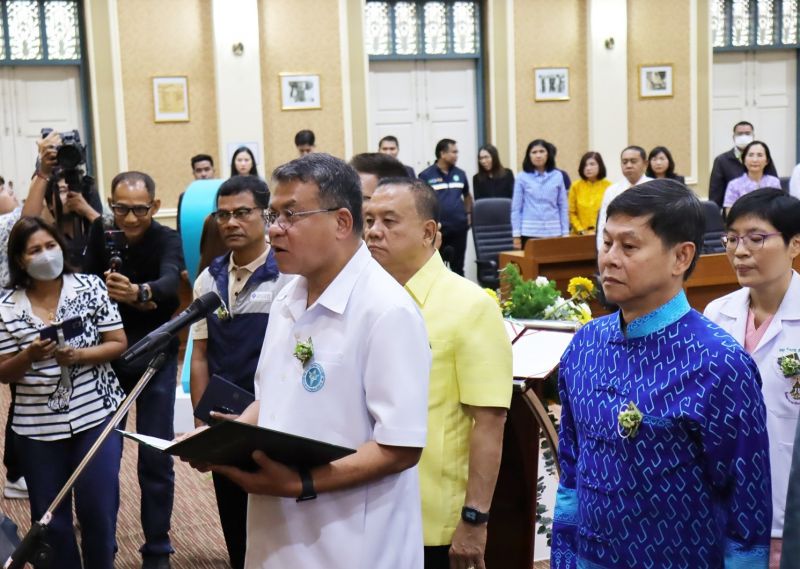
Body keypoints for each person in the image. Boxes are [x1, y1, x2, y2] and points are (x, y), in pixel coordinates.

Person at [190, 153, 431, 568]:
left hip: (353, 544)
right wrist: (227, 438)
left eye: (290, 215)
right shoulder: (288, 296)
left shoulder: (386, 310)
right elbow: (272, 397)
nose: (274, 229)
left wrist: (300, 482)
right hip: (278, 536)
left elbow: (401, 447)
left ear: (341, 222)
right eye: (272, 215)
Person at [552, 179, 772, 568]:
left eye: (629, 246)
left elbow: (747, 509)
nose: (610, 259)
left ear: (681, 257)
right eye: (607, 243)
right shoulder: (584, 346)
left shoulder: (719, 365)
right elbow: (570, 474)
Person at [364, 178, 511, 569]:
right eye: (369, 220)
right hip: (362, 507)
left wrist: (474, 519)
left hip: (431, 517)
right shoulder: (363, 302)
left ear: (429, 232)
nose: (374, 231)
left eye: (389, 221)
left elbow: (490, 421)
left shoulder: (470, 306)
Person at [0, 216, 127, 569]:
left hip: (96, 415)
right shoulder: (5, 306)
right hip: (37, 428)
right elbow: (2, 371)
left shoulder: (89, 286)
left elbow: (117, 343)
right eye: (34, 250)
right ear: (20, 260)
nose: (45, 255)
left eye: (50, 245)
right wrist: (29, 355)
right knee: (51, 522)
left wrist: (80, 355)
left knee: (98, 510)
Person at [84, 171, 183, 569]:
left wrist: (139, 293)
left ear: (155, 207)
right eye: (120, 208)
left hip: (155, 359)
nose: (128, 218)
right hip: (107, 359)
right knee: (102, 457)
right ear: (110, 203)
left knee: (156, 456)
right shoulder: (99, 232)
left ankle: (157, 547)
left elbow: (171, 283)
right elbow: (82, 281)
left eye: (138, 209)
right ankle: (100, 545)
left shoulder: (166, 237)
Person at [189, 175, 288, 569]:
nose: (230, 222)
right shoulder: (207, 280)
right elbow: (199, 356)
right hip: (224, 424)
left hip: (276, 421)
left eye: (242, 213)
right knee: (235, 524)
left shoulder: (289, 277)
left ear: (266, 215)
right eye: (223, 214)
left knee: (280, 525)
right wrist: (202, 424)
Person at [704, 189, 800, 568]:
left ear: (795, 244)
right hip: (724, 509)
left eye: (756, 239)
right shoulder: (716, 314)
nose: (740, 251)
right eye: (732, 239)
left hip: (787, 514)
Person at [2, 133, 56, 501]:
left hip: (19, 312)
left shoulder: (8, 227)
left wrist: (42, 172)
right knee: (22, 390)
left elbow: (29, 219)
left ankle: (20, 469)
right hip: (8, 321)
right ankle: (20, 470)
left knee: (29, 390)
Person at [418, 139, 472, 276]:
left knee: (458, 267)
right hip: (438, 229)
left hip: (459, 227)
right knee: (436, 267)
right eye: (453, 152)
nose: (456, 155)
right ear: (442, 153)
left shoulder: (460, 174)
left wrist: (468, 215)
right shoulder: (426, 175)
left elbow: (467, 196)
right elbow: (422, 201)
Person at [511, 138, 568, 249]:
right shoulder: (522, 177)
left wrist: (565, 232)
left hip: (554, 231)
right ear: (529, 156)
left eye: (542, 151)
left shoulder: (557, 175)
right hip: (529, 232)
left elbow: (563, 206)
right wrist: (516, 235)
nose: (538, 155)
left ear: (548, 154)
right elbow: (516, 209)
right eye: (534, 152)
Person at [709, 121, 779, 208]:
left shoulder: (763, 159)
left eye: (747, 133)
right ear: (734, 137)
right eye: (740, 134)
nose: (743, 136)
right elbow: (715, 193)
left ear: (753, 136)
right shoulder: (722, 160)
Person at [595, 145, 652, 251]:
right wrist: (602, 251)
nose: (628, 165)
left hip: (648, 247)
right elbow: (603, 222)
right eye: (624, 162)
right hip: (619, 248)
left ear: (645, 163)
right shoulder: (612, 190)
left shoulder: (656, 187)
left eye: (633, 161)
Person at [44, 171, 103, 269]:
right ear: (50, 204)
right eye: (63, 191)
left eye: (76, 190)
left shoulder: (94, 231)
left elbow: (110, 236)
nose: (70, 195)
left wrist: (86, 210)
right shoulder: (49, 235)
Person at [723, 140, 782, 214]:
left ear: (767, 161)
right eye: (751, 155)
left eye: (760, 155)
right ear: (744, 160)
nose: (755, 160)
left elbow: (778, 210)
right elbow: (730, 214)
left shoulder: (774, 183)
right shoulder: (734, 185)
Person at [568, 151, 611, 235]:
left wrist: (600, 230)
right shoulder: (575, 186)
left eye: (592, 164)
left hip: (603, 234)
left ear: (600, 166)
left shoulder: (609, 186)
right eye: (585, 165)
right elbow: (571, 212)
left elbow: (612, 213)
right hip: (579, 234)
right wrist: (580, 230)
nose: (588, 168)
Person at [177, 153, 217, 234]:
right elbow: (180, 226)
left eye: (207, 169)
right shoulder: (185, 197)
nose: (203, 174)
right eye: (199, 170)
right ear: (194, 174)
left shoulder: (223, 194)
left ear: (213, 171)